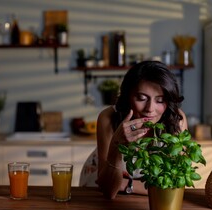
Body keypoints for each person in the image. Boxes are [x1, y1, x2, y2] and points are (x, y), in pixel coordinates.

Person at [80, 60, 188, 199]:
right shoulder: (108, 118)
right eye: (141, 98)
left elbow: (176, 184)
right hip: (99, 189)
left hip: (151, 199)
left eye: (160, 100)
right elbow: (108, 190)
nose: (150, 109)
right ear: (128, 96)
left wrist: (127, 184)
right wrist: (117, 145)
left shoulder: (176, 120)